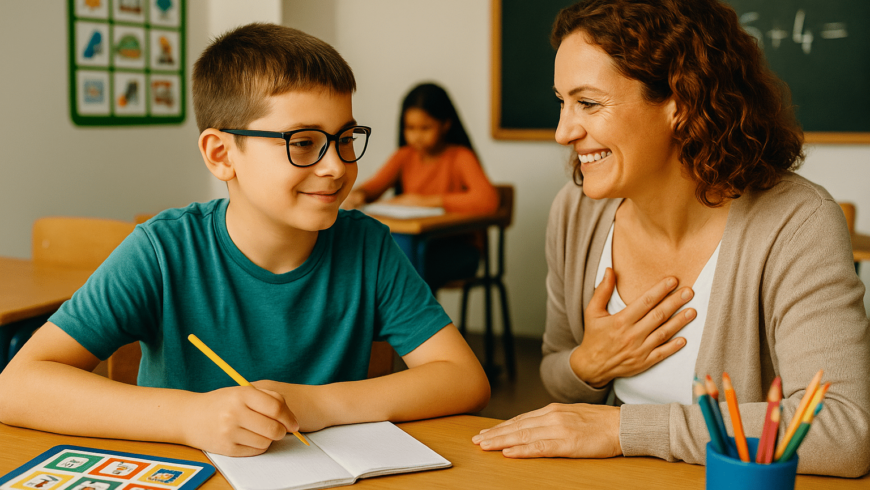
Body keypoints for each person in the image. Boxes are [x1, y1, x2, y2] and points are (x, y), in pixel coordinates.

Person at [0, 23, 489, 457]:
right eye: (302, 142)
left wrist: (316, 403)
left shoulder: (368, 247)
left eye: (344, 138)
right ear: (221, 154)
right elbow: (17, 387)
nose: (337, 165)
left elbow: (463, 378)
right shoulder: (164, 251)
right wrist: (188, 417)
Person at [473, 0, 870, 477]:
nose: (563, 131)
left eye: (589, 103)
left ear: (680, 102)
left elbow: (844, 430)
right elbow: (559, 378)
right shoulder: (576, 211)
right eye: (562, 102)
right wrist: (588, 364)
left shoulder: (796, 223)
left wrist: (624, 431)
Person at [343, 83, 499, 290]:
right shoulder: (404, 156)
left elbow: (488, 200)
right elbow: (373, 187)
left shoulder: (460, 157)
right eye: (410, 128)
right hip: (416, 245)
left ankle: (406, 320)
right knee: (383, 253)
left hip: (457, 250)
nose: (417, 135)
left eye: (425, 128)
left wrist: (422, 202)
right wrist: (359, 195)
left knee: (394, 261)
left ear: (445, 124)